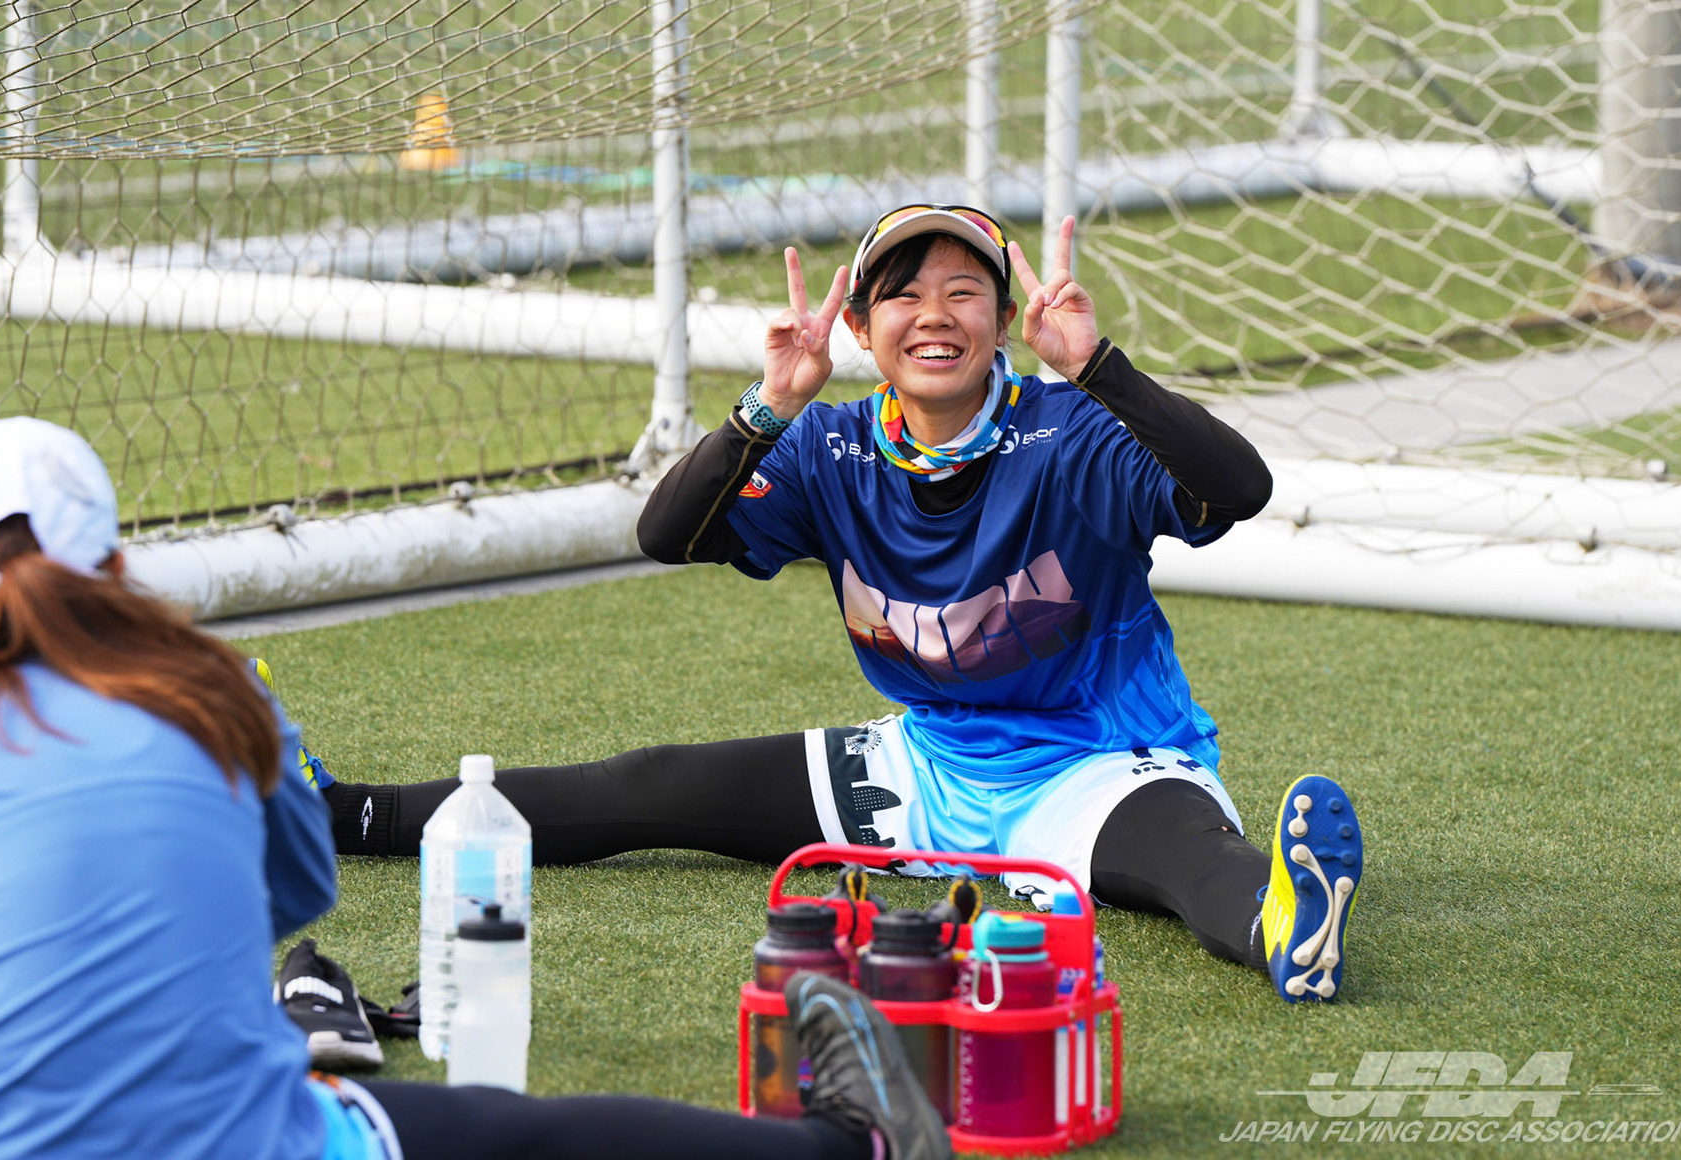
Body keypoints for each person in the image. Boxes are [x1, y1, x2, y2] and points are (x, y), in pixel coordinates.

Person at [0, 417, 948, 1160]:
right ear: (114, 563)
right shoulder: (217, 685)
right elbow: (291, 894)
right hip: (252, 1135)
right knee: (516, 1135)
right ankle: (846, 1146)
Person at [315, 204, 1366, 1003]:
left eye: (964, 291)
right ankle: (349, 813)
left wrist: (1098, 367)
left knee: (1193, 862)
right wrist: (770, 404)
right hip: (929, 763)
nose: (935, 315)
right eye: (903, 295)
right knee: (652, 784)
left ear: (1006, 319)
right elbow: (666, 535)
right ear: (861, 325)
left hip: (1096, 760)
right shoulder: (830, 444)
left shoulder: (1073, 429)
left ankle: (1286, 927)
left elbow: (1240, 488)